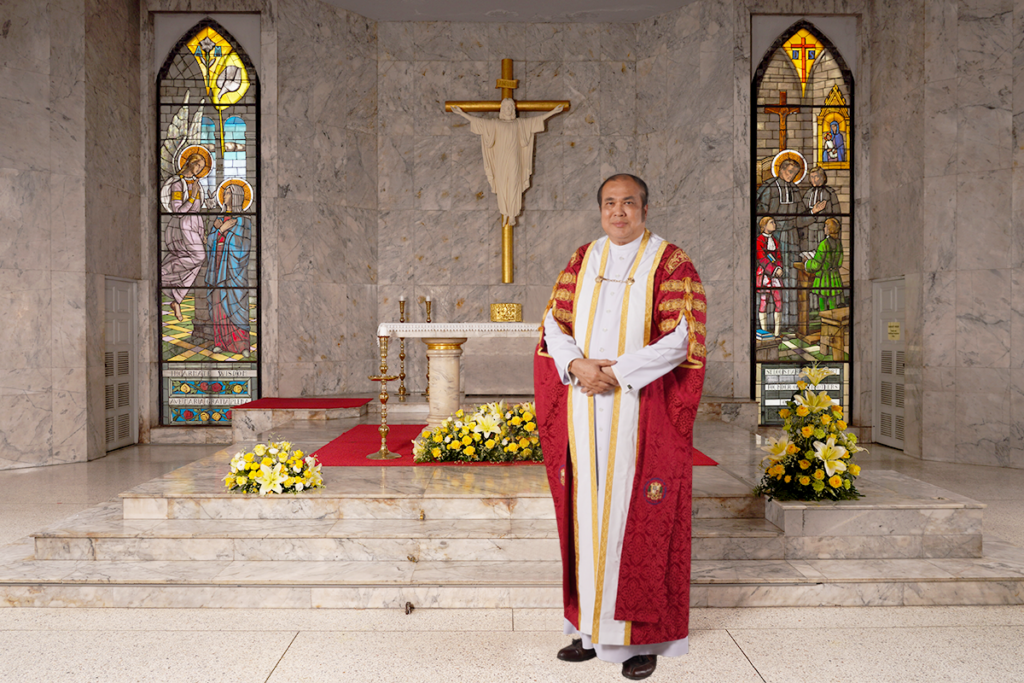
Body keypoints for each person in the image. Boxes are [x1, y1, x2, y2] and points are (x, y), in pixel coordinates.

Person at [534, 173, 707, 681]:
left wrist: (616, 373)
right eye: (610, 203)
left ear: (645, 209)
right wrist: (576, 368)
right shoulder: (580, 260)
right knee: (588, 519)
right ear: (600, 210)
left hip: (640, 411)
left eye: (628, 203)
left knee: (638, 521)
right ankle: (589, 632)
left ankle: (642, 642)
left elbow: (684, 338)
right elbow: (553, 323)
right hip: (584, 416)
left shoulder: (671, 263)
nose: (618, 212)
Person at [451, 99, 562, 226]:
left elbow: (534, 121)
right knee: (502, 185)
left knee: (514, 183)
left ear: (513, 109)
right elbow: (479, 123)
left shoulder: (519, 123)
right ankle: (504, 213)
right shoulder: (496, 123)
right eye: (506, 107)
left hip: (514, 158)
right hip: (500, 159)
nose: (508, 109)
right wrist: (462, 114)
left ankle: (513, 213)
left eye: (510, 107)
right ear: (502, 109)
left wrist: (553, 111)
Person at [754, 158, 825, 327]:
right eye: (789, 171)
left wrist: (813, 212)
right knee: (771, 279)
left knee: (791, 278)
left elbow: (800, 218)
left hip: (792, 238)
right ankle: (768, 323)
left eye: (794, 173)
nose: (791, 176)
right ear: (780, 170)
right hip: (775, 237)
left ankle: (789, 321)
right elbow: (759, 213)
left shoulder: (794, 189)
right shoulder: (768, 187)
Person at [160, 150, 209, 322]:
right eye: (197, 164)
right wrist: (193, 195)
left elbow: (198, 211)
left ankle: (177, 299)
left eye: (202, 167)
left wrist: (202, 233)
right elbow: (178, 212)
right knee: (198, 256)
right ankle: (163, 272)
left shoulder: (196, 183)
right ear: (189, 161)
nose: (199, 169)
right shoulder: (178, 184)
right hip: (182, 227)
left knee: (196, 263)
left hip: (194, 226)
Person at [204, 182, 252, 355]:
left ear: (238, 197)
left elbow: (243, 246)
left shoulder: (244, 221)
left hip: (233, 270)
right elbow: (209, 242)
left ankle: (242, 345)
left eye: (229, 193)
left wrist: (222, 231)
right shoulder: (220, 219)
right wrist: (218, 230)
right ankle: (220, 342)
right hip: (217, 268)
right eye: (224, 193)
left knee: (236, 304)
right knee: (218, 303)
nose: (225, 197)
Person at [804, 217, 845, 312]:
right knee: (833, 303)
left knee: (822, 303)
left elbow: (816, 265)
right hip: (834, 277)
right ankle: (833, 323)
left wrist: (807, 262)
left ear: (830, 229)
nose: (824, 229)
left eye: (826, 227)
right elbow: (839, 263)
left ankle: (824, 323)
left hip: (823, 278)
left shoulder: (824, 244)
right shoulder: (839, 243)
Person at [755, 216, 783, 339]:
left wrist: (779, 268)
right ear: (764, 226)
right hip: (764, 275)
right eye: (771, 222)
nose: (774, 224)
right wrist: (774, 269)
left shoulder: (775, 241)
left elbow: (779, 257)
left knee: (779, 302)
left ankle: (777, 333)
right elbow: (761, 258)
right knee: (763, 302)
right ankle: (764, 332)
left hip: (776, 276)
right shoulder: (759, 240)